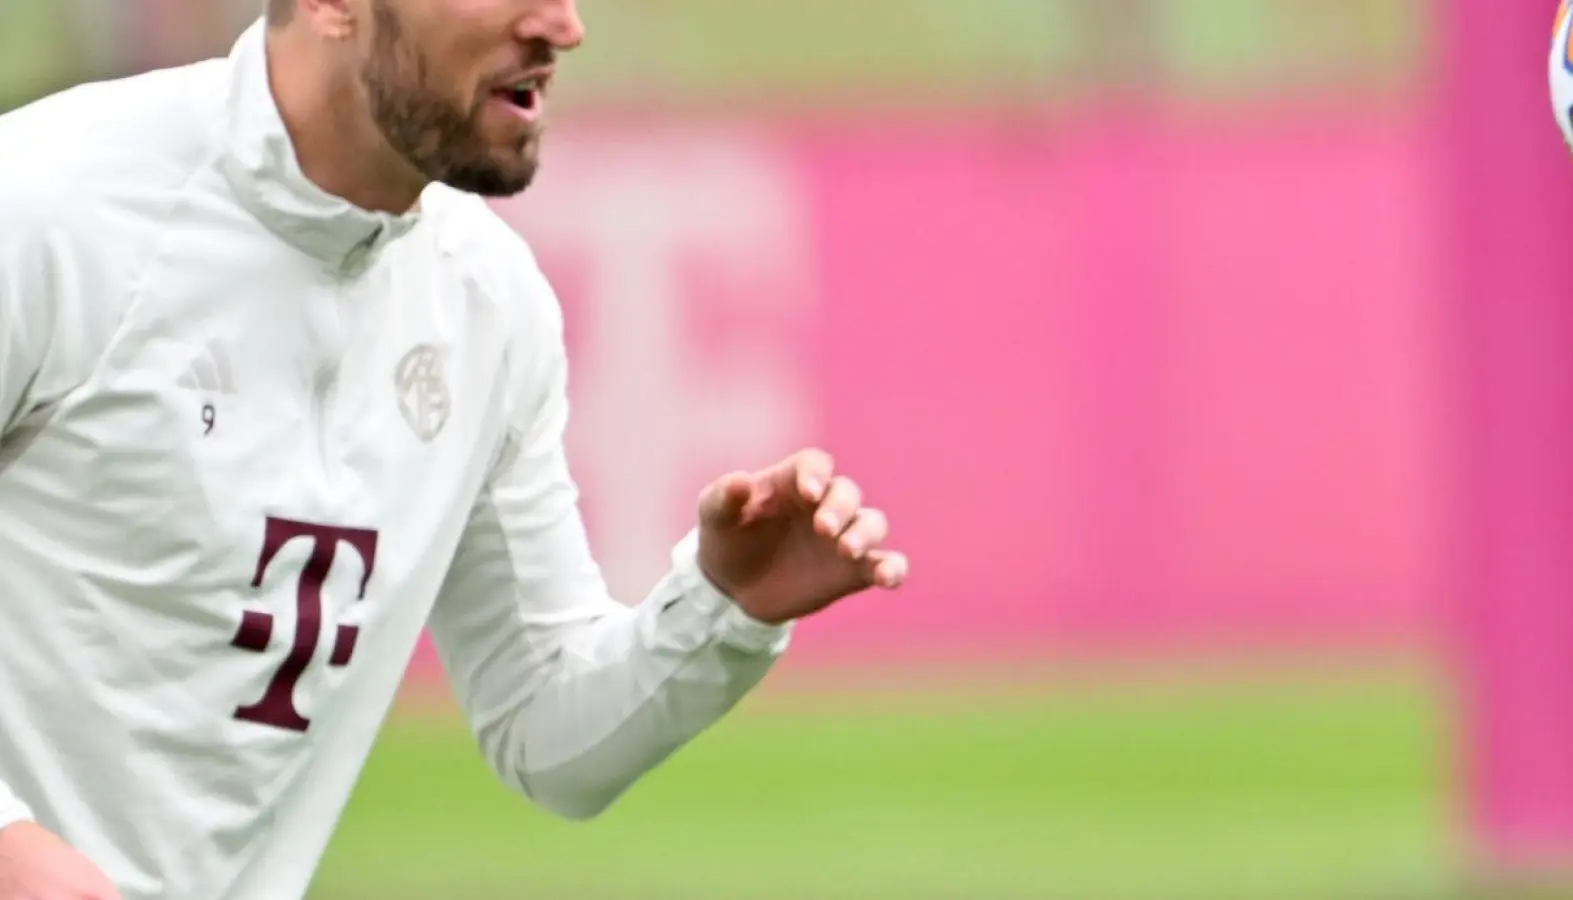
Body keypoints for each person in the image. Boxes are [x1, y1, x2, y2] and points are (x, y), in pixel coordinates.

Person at [0, 1, 909, 898]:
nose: (562, 25)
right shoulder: (48, 205)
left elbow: (548, 733)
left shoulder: (490, 302)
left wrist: (724, 611)